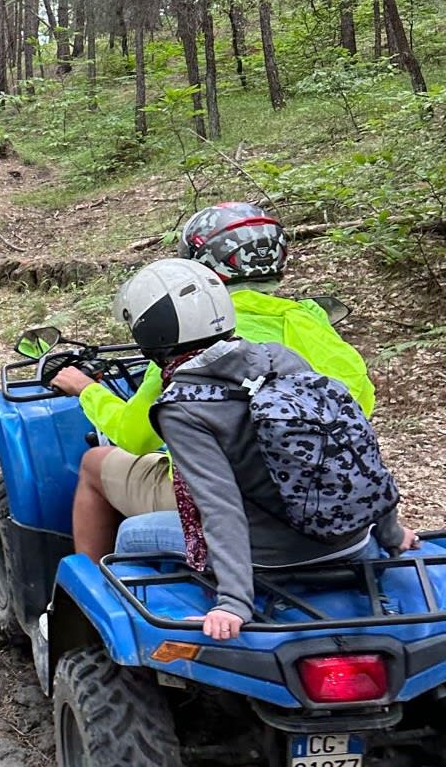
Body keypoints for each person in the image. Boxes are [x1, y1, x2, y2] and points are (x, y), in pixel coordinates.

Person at [52, 202, 376, 560]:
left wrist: (88, 390)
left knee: (95, 463)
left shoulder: (193, 334)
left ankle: (86, 589)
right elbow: (359, 404)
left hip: (234, 509)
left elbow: (136, 437)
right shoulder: (309, 323)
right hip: (322, 496)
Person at [111, 258, 414, 639]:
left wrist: (234, 602)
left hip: (274, 562)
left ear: (148, 331)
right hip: (354, 542)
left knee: (130, 535)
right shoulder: (279, 357)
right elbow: (352, 451)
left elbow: (219, 505)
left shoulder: (182, 406)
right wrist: (390, 532)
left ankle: (123, 651)